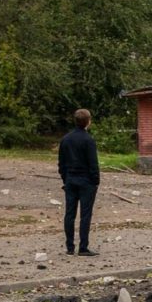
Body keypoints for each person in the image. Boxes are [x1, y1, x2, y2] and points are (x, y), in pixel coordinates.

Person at [58, 108, 100, 256]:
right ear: (88, 121)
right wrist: (95, 181)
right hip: (86, 182)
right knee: (85, 215)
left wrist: (65, 178)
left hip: (70, 180)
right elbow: (93, 164)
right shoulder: (88, 140)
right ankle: (83, 247)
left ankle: (70, 247)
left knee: (69, 214)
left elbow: (61, 163)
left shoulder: (66, 139)